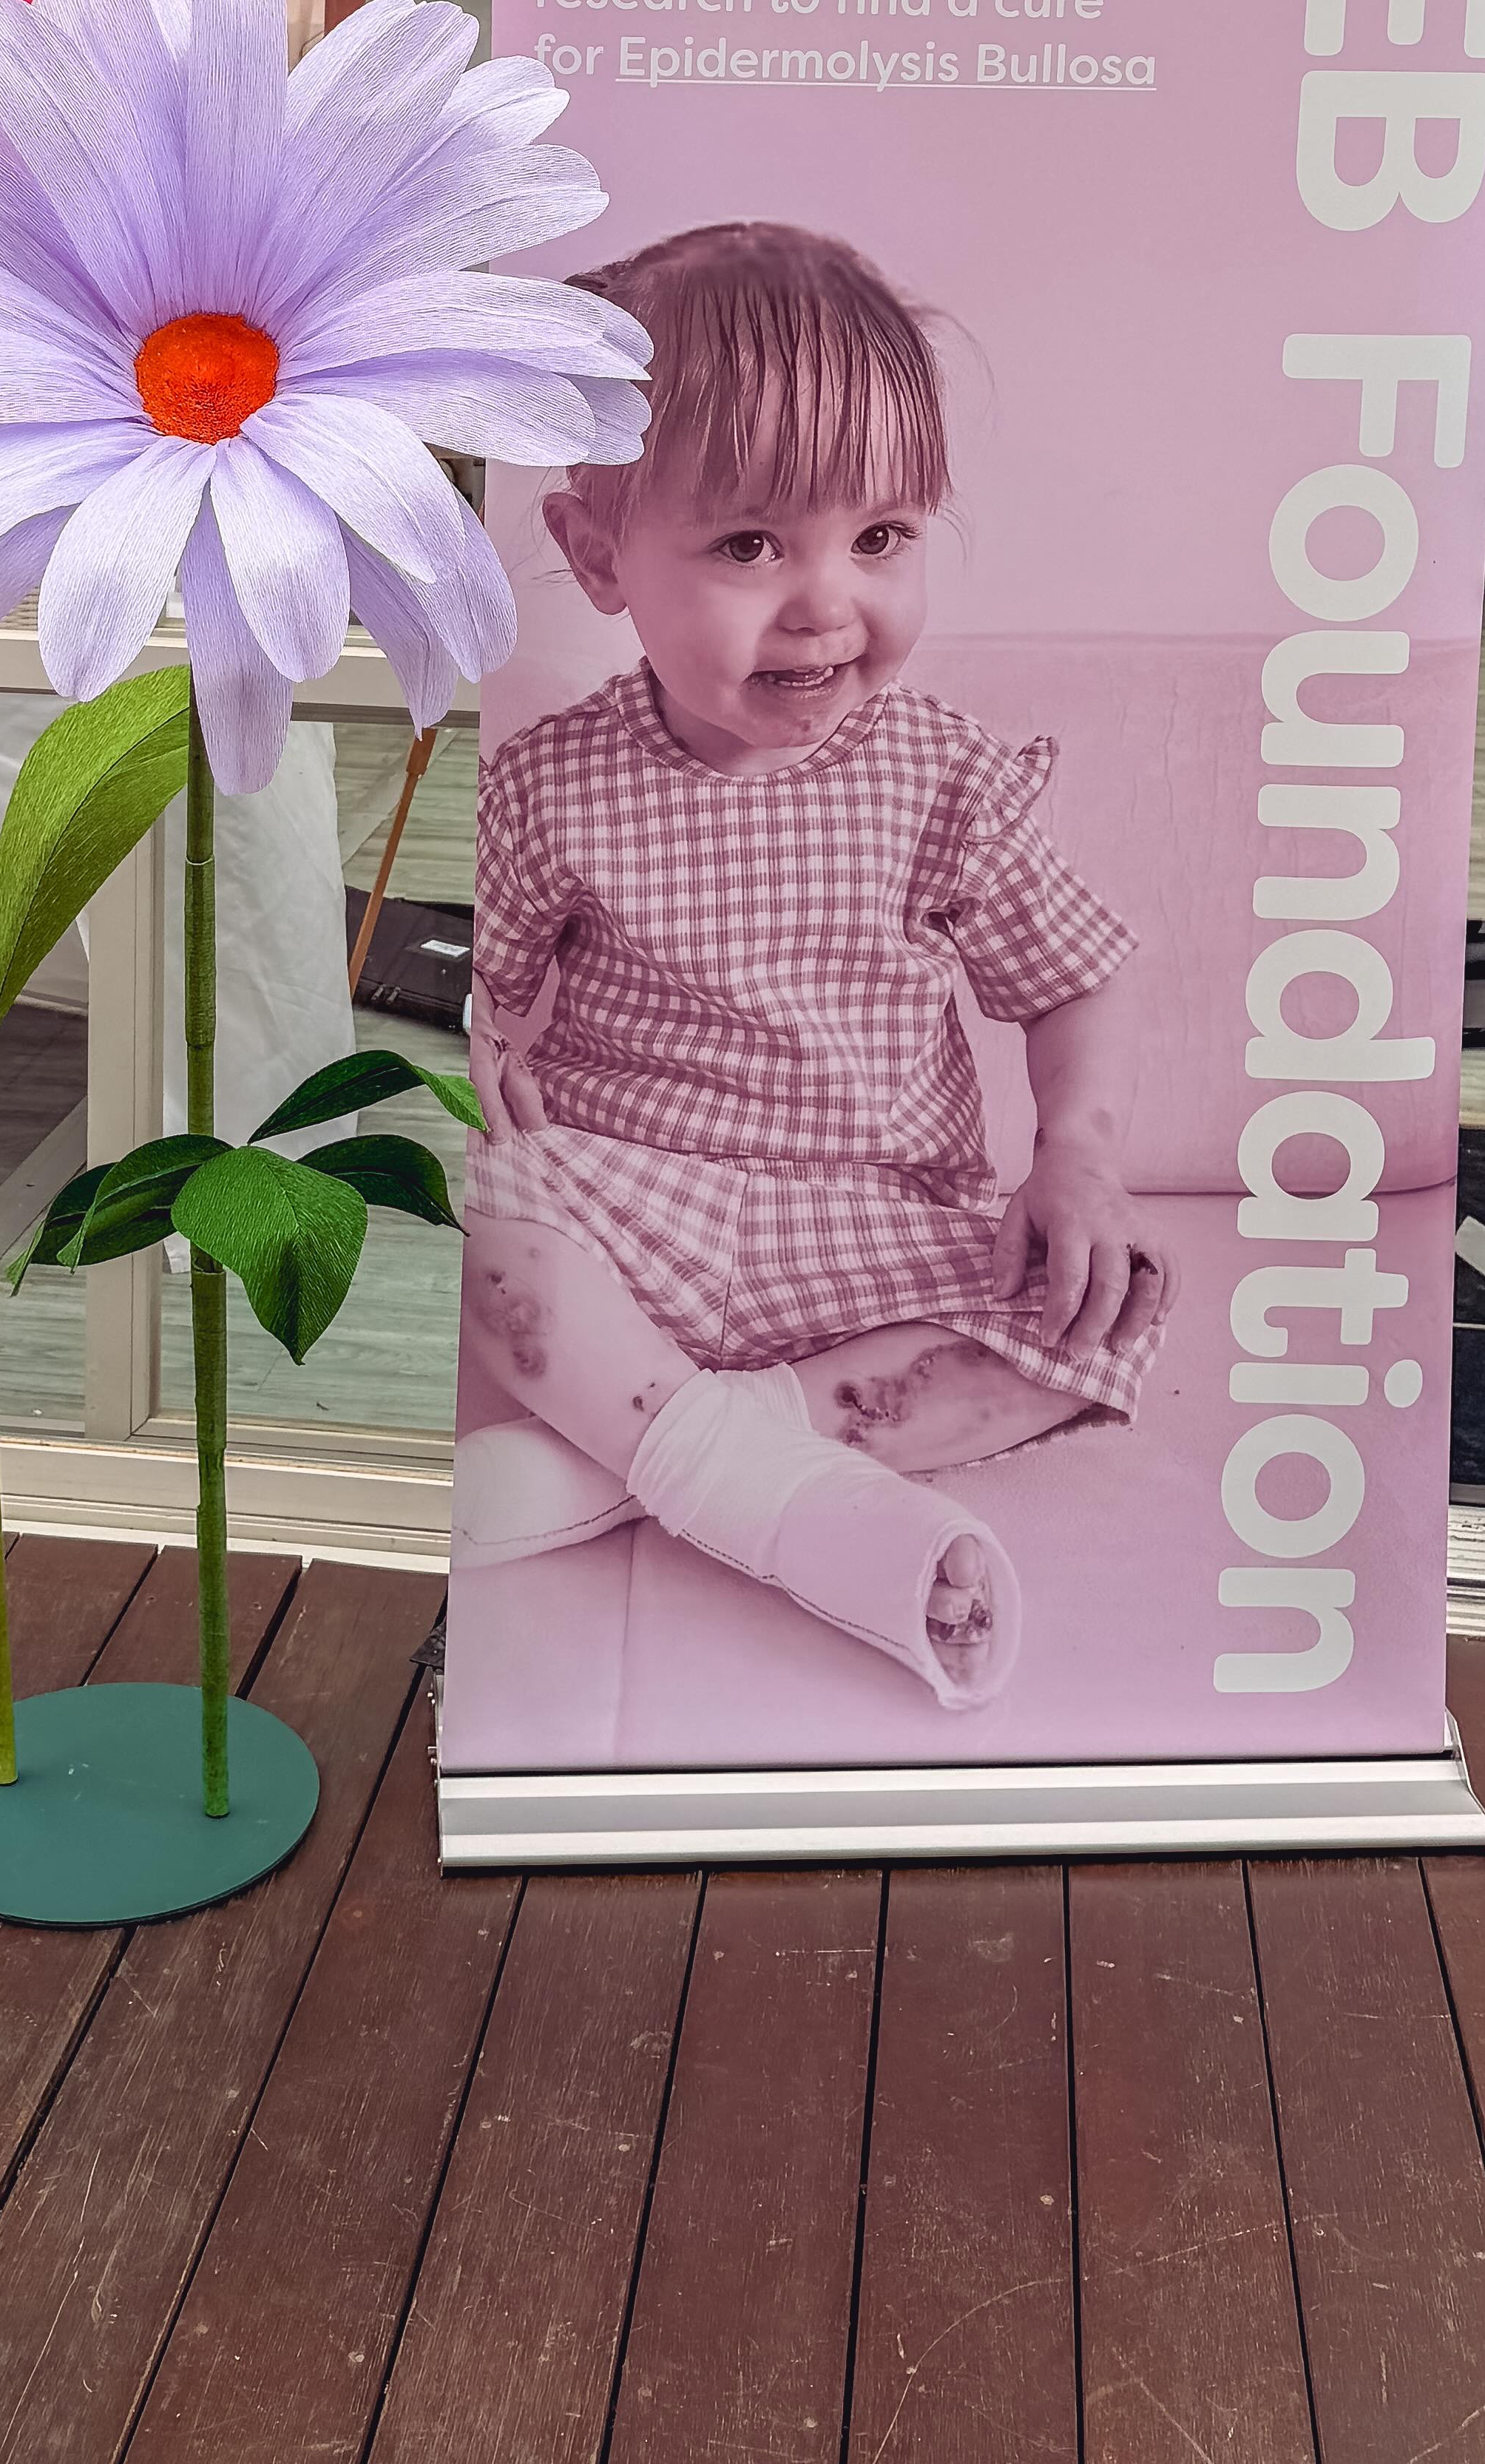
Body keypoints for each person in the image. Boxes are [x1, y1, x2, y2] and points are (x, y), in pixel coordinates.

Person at [462, 218, 1178, 1707]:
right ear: (597, 556)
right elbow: (488, 987)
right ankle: (742, 1471)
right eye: (748, 545)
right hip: (635, 1207)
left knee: (1104, 1308)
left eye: (883, 537)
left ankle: (673, 1451)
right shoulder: (547, 784)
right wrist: (490, 1054)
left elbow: (1070, 976)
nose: (827, 603)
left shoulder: (943, 778)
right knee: (488, 1224)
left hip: (873, 1223)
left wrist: (1078, 1155)